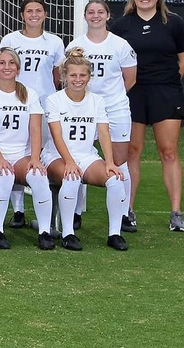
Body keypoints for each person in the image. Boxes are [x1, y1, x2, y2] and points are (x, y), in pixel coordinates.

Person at [111, 0, 184, 232]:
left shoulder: (173, 22)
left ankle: (176, 213)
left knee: (168, 151)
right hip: (133, 94)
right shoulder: (122, 25)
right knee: (132, 151)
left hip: (166, 93)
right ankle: (128, 211)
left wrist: (167, 82)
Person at [43, 48, 130, 251]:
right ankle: (68, 234)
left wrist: (109, 162)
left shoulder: (97, 101)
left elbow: (104, 132)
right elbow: (56, 136)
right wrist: (70, 161)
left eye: (83, 75)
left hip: (87, 155)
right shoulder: (54, 100)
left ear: (90, 77)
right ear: (64, 76)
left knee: (116, 179)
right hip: (56, 155)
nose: (78, 79)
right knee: (71, 177)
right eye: (73, 75)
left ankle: (115, 234)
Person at [68, 0, 138, 232]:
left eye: (100, 12)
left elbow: (130, 78)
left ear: (108, 16)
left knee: (120, 161)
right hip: (82, 109)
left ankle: (124, 213)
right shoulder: (76, 45)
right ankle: (75, 213)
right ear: (85, 16)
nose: (95, 16)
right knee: (80, 157)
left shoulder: (120, 44)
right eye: (91, 12)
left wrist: (110, 99)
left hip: (115, 109)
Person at [0, 47, 53, 250]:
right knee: (4, 175)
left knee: (38, 176)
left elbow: (35, 129)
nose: (6, 67)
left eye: (11, 63)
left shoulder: (29, 94)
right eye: (2, 63)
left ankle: (45, 231)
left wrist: (35, 157)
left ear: (18, 68)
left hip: (22, 154)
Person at [0, 0, 66, 228]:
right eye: (29, 11)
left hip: (43, 106)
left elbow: (57, 77)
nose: (34, 14)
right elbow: (1, 68)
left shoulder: (55, 42)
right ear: (22, 15)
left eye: (38, 10)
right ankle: (18, 210)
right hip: (14, 102)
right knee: (16, 153)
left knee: (39, 155)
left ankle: (48, 210)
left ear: (45, 14)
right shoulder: (10, 39)